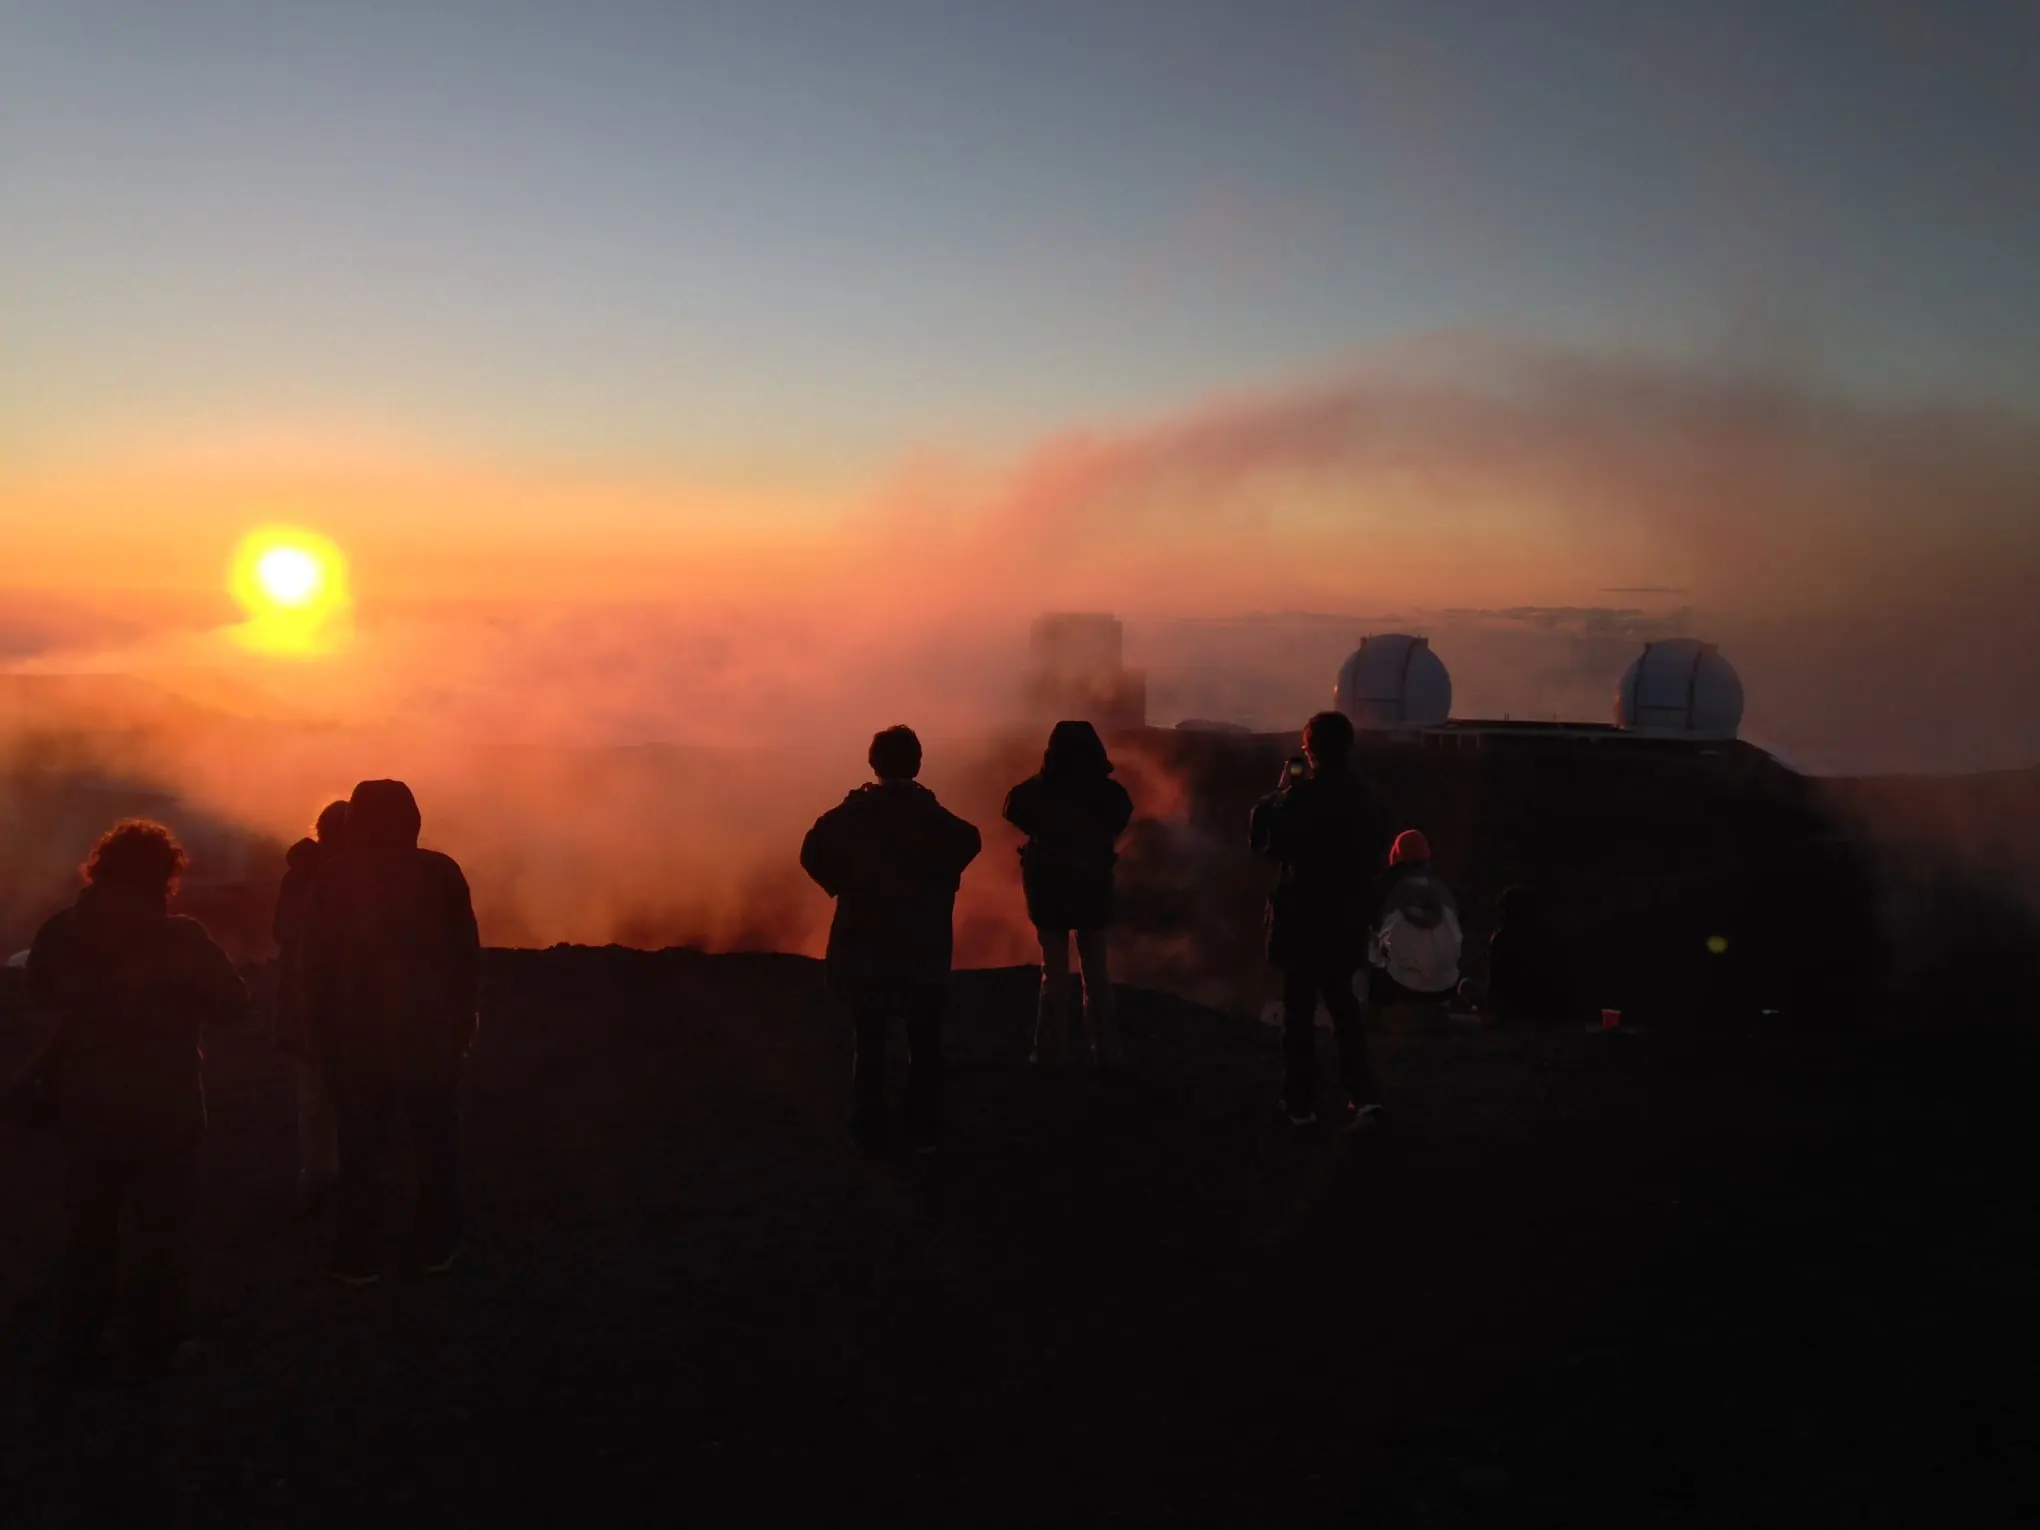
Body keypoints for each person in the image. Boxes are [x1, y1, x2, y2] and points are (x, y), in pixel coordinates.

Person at [17, 821, 248, 1379]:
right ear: (165, 876)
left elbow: (36, 999)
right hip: (164, 1106)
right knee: (160, 1233)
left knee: (89, 1231)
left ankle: (79, 1342)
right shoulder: (183, 939)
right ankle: (155, 1349)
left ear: (99, 868)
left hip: (85, 1104)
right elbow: (233, 1007)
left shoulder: (58, 934)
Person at [301, 780, 480, 1285]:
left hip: (354, 1036)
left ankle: (356, 1255)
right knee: (435, 1143)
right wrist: (463, 1020)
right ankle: (438, 1245)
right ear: (412, 819)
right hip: (427, 1033)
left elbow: (315, 963)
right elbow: (465, 958)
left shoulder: (335, 878)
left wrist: (315, 1030)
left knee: (359, 1148)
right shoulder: (440, 872)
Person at [800, 725, 981, 1156]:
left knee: (871, 1039)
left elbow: (811, 850)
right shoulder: (930, 814)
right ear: (917, 763)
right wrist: (940, 884)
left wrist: (841, 884)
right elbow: (969, 840)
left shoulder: (855, 812)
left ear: (873, 763)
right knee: (924, 1042)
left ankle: (868, 1129)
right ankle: (921, 1131)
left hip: (865, 945)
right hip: (922, 946)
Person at [1249, 711, 1395, 1130]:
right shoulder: (1371, 799)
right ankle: (1364, 1096)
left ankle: (1299, 1105)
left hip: (1301, 921)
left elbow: (1263, 841)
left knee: (1298, 1015)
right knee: (1345, 1009)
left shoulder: (1298, 799)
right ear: (1349, 747)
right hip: (1346, 919)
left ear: (1309, 751)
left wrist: (1279, 793)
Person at [1002, 721, 1135, 1069]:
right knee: (1097, 973)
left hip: (1048, 894)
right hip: (1092, 892)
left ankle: (1050, 1053)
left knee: (1054, 973)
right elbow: (1121, 815)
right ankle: (1106, 1051)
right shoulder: (1109, 795)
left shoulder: (1036, 792)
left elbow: (1011, 807)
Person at [272, 799, 349, 1209]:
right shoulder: (355, 878)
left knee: (315, 1094)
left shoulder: (298, 876)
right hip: (350, 1003)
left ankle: (318, 1174)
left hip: (305, 1001)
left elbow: (281, 932)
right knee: (351, 1089)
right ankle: (346, 1173)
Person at [1365, 829, 1464, 1014]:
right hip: (1440, 985)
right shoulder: (1442, 888)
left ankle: (1377, 1010)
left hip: (1396, 983)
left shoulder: (1384, 887)